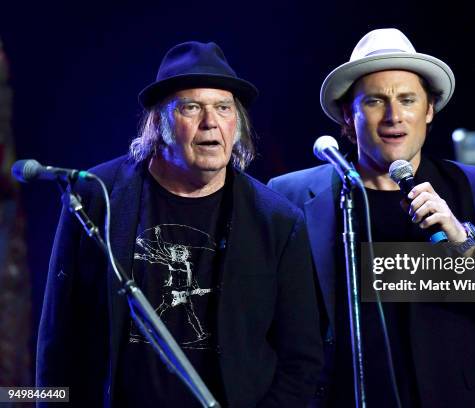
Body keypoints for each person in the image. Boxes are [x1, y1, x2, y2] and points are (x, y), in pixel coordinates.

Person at [36, 41, 323, 407]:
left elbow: (302, 360)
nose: (211, 123)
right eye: (191, 107)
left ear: (236, 123)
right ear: (159, 122)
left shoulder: (279, 221)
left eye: (223, 108)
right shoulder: (95, 196)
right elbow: (57, 340)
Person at [268, 28, 475, 407]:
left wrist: (462, 240)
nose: (394, 116)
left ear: (428, 110)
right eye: (376, 101)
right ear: (349, 114)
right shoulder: (290, 196)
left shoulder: (474, 187)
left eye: (408, 100)